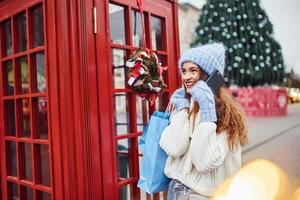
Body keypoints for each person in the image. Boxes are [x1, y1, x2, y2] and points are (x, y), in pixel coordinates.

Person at [159, 43, 248, 200]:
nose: (186, 77)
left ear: (208, 75)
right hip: (176, 188)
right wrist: (182, 111)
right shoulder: (189, 104)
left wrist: (207, 113)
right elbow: (174, 148)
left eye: (193, 70)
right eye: (184, 71)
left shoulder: (222, 111)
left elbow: (204, 162)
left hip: (197, 194)